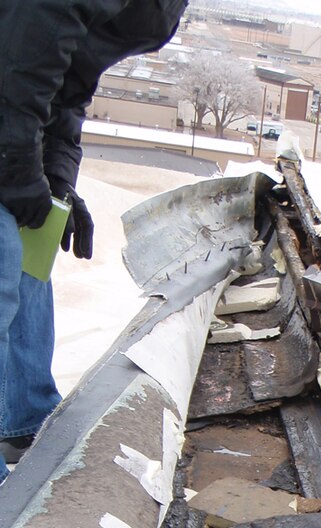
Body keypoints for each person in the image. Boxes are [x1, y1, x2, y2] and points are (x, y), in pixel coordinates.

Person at [0, 0, 188, 483]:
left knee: (29, 253)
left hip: (15, 98)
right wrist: (20, 175)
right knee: (3, 250)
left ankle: (24, 421)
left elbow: (66, 88)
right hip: (9, 98)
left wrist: (55, 182)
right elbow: (19, 77)